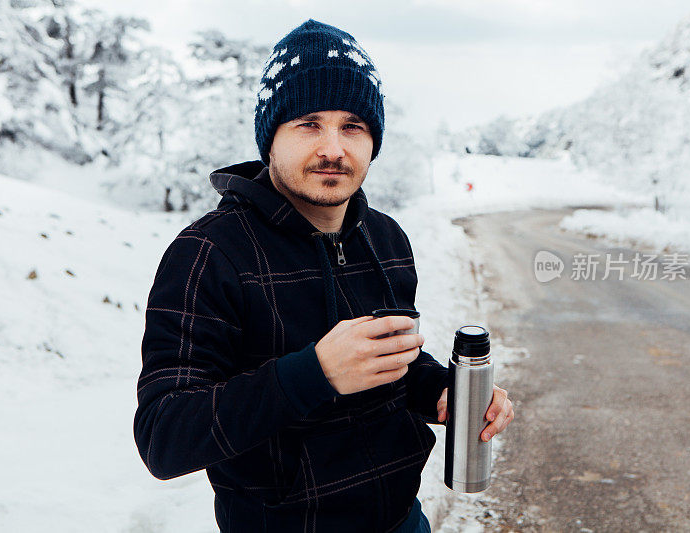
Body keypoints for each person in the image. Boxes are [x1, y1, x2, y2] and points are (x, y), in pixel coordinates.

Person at [133, 19, 514, 533]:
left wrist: (441, 391)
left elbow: (392, 362)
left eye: (352, 125)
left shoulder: (385, 239)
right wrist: (314, 373)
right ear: (271, 137)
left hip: (403, 520)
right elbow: (165, 436)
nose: (333, 148)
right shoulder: (209, 252)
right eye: (309, 123)